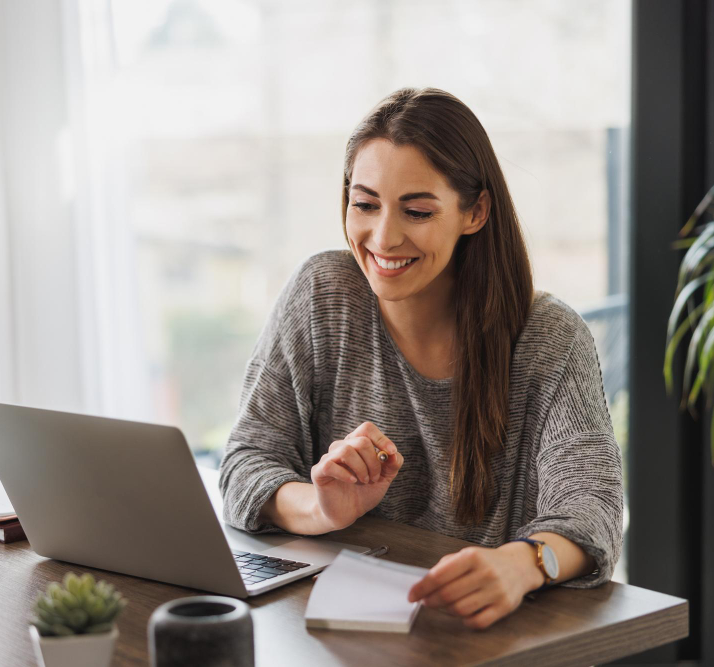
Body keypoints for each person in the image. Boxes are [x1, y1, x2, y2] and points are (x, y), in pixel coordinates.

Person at [218, 87, 623, 630]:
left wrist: (521, 564)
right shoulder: (322, 294)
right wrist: (322, 507)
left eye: (417, 211)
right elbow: (246, 463)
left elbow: (592, 511)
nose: (383, 237)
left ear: (475, 212)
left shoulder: (549, 337)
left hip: (486, 634)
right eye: (365, 204)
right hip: (344, 630)